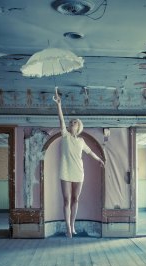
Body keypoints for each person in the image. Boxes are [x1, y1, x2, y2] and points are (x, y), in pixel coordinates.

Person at [52, 87, 105, 238]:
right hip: (65, 171)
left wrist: (99, 159)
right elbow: (61, 120)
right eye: (71, 122)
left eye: (74, 122)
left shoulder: (81, 141)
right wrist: (59, 105)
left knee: (76, 199)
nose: (71, 123)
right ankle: (68, 227)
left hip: (78, 172)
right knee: (67, 199)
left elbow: (90, 152)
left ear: (78, 126)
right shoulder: (65, 135)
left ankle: (73, 224)